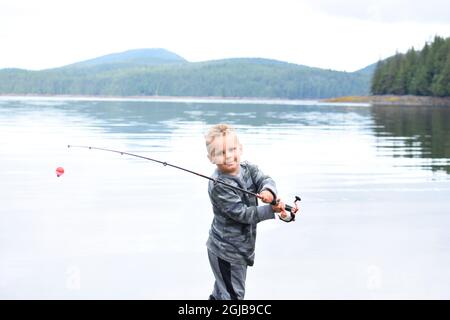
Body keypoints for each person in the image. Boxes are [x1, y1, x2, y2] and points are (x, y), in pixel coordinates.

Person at [204, 123, 295, 300]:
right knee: (233, 296)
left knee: (223, 293)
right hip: (226, 250)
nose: (228, 156)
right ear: (211, 158)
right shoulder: (218, 186)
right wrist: (270, 210)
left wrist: (268, 191)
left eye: (232, 149)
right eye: (221, 153)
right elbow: (242, 214)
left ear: (240, 149)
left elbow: (265, 179)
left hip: (240, 248)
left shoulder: (249, 169)